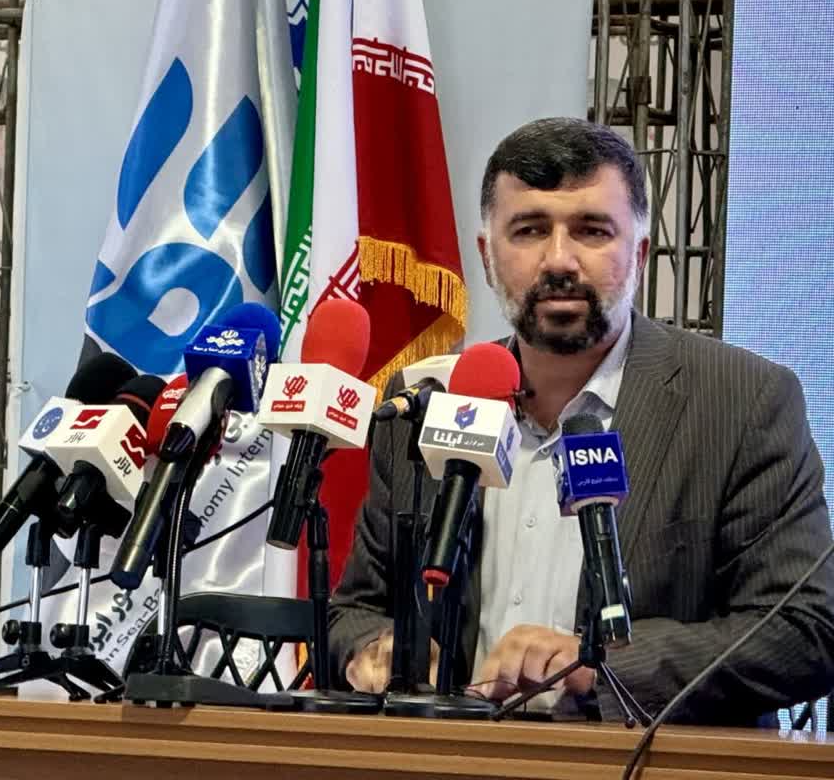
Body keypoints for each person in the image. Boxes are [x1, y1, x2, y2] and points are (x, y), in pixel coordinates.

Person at [328, 117, 834, 725]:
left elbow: (807, 629)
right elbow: (355, 609)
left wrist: (597, 665)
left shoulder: (743, 402)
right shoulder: (425, 402)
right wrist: (375, 650)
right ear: (487, 256)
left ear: (639, 253)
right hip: (452, 757)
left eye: (592, 230)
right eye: (530, 230)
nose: (559, 260)